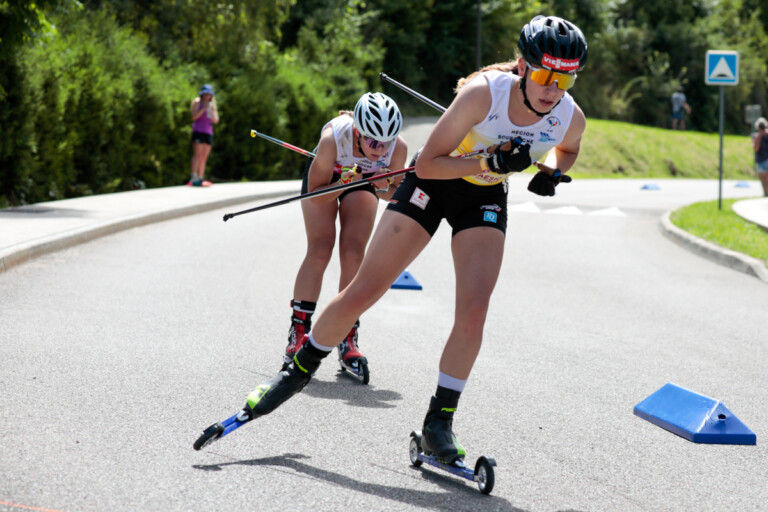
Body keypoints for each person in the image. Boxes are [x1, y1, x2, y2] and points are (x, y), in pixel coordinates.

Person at [236, 15, 587, 464]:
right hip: (435, 182)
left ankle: (438, 421)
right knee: (364, 289)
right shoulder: (484, 94)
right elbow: (426, 165)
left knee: (475, 312)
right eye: (543, 75)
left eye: (565, 78)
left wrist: (554, 173)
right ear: (522, 67)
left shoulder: (568, 116)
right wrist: (490, 163)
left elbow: (570, 147)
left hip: (482, 200)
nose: (552, 89)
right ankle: (296, 373)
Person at [283, 92, 408, 373]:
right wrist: (341, 183)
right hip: (329, 180)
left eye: (385, 142)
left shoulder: (396, 148)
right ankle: (299, 332)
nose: (380, 149)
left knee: (353, 252)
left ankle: (347, 336)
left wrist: (383, 187)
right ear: (357, 132)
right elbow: (316, 196)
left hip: (363, 181)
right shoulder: (332, 140)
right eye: (373, 141)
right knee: (320, 249)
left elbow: (394, 193)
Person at [189, 84, 219, 186]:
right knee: (197, 154)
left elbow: (216, 120)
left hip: (208, 132)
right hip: (198, 130)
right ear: (202, 94)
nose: (207, 96)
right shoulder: (197, 102)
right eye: (205, 94)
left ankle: (201, 177)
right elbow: (193, 117)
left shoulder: (212, 104)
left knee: (204, 157)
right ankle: (194, 176)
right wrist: (203, 109)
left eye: (209, 94)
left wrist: (211, 113)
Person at [753, 117, 768, 196]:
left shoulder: (758, 136)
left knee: (762, 178)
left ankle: (766, 194)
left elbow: (756, 148)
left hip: (762, 159)